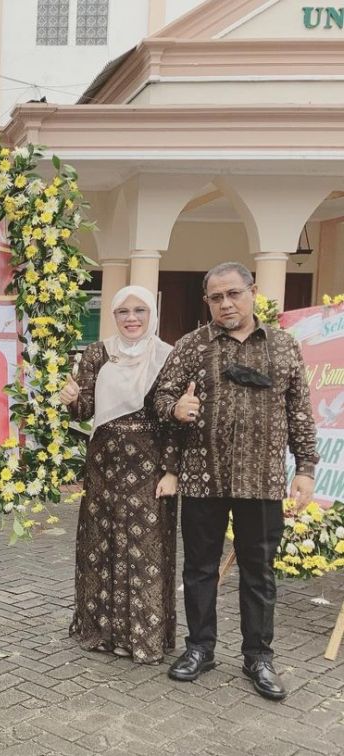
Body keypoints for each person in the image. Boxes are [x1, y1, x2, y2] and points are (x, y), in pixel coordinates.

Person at [153, 261, 318, 701]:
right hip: (204, 477)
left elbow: (300, 411)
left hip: (262, 481)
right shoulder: (193, 345)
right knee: (200, 568)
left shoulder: (282, 347)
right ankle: (200, 648)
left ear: (252, 292)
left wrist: (305, 469)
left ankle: (258, 657)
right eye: (216, 297)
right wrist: (175, 409)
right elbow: (160, 395)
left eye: (233, 294)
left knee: (259, 573)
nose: (226, 304)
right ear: (206, 301)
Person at [60, 285, 178, 664]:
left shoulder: (168, 356)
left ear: (151, 314)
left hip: (150, 463)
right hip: (104, 462)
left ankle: (144, 636)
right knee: (102, 544)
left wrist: (172, 470)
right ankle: (101, 632)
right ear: (113, 316)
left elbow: (176, 421)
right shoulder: (97, 353)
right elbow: (84, 411)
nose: (131, 318)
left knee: (146, 549)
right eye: (123, 311)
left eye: (139, 310)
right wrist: (71, 399)